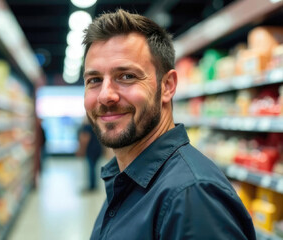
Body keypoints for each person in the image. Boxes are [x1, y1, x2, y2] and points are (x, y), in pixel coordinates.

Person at [82, 9, 256, 240]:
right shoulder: (126, 178)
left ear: (167, 86)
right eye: (94, 80)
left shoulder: (191, 197)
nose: (105, 95)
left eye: (127, 76)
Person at [76, 118, 103, 192]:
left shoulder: (87, 127)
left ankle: (92, 186)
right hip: (97, 149)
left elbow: (85, 139)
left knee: (91, 168)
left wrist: (81, 150)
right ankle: (93, 185)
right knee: (93, 168)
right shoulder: (96, 126)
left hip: (91, 150)